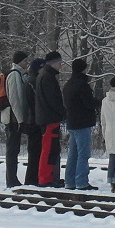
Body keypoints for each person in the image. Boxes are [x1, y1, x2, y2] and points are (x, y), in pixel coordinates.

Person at [63, 57, 100, 191]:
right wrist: (99, 102)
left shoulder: (68, 84)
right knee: (83, 154)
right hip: (82, 123)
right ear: (84, 69)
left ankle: (69, 181)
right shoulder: (82, 84)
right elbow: (88, 103)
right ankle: (81, 182)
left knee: (73, 154)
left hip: (72, 122)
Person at [35, 51, 67, 187]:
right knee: (49, 150)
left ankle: (47, 177)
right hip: (50, 119)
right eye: (60, 62)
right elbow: (53, 100)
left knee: (49, 149)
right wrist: (63, 113)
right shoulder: (48, 77)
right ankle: (45, 178)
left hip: (46, 117)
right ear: (54, 62)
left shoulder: (43, 75)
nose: (61, 65)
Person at [1, 50, 31, 188]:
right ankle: (11, 180)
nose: (27, 63)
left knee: (14, 150)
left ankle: (12, 179)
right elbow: (15, 99)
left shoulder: (20, 74)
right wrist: (21, 120)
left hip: (15, 119)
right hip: (13, 120)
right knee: (12, 150)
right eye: (25, 60)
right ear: (19, 61)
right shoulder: (15, 75)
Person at [22, 57, 45, 187]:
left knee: (34, 151)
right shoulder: (34, 83)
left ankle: (32, 178)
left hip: (30, 120)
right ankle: (32, 179)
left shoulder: (29, 81)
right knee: (35, 152)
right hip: (34, 121)